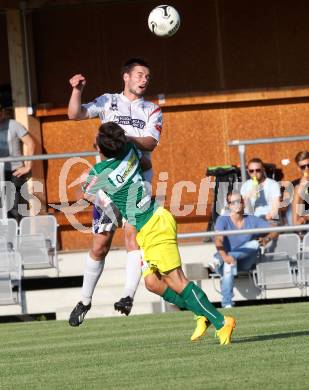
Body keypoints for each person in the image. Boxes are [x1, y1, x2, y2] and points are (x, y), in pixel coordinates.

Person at [72, 122, 236, 344]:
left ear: (99, 149)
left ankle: (220, 321)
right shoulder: (130, 151)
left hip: (154, 225)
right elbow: (145, 161)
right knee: (152, 283)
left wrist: (91, 183)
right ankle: (202, 314)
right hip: (147, 226)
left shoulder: (99, 172)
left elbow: (85, 190)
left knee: (177, 281)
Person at [68, 58, 162, 318]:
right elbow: (74, 114)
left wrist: (124, 140)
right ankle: (85, 301)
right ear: (126, 77)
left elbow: (151, 143)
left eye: (147, 76)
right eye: (140, 74)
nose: (144, 79)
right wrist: (77, 90)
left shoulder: (152, 109)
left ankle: (127, 296)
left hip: (137, 180)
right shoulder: (107, 101)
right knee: (100, 245)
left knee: (132, 236)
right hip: (107, 185)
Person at [211, 190, 278, 308]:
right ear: (228, 205)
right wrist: (226, 257)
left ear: (243, 203)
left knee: (254, 244)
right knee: (229, 265)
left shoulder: (252, 219)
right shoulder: (223, 219)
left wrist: (267, 239)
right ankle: (227, 303)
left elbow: (275, 229)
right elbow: (218, 240)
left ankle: (219, 260)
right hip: (227, 260)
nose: (236, 204)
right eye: (232, 202)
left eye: (239, 201)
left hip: (244, 262)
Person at [0, 102, 35, 222]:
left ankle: (19, 237)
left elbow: (30, 143)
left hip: (15, 172)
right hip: (1, 172)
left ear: (2, 112)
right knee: (3, 208)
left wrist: (27, 166)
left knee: (15, 208)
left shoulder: (13, 125)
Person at [240, 158, 281, 222]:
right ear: (248, 171)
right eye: (251, 171)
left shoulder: (273, 184)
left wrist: (262, 220)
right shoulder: (245, 186)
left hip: (269, 219)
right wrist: (248, 196)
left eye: (258, 170)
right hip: (251, 220)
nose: (255, 173)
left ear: (263, 170)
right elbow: (242, 209)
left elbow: (275, 209)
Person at [291, 151, 309, 225]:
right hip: (302, 219)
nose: (306, 169)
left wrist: (306, 217)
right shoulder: (295, 184)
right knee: (298, 188)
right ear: (299, 168)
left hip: (305, 218)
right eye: (303, 167)